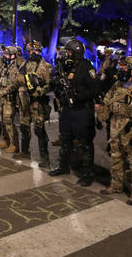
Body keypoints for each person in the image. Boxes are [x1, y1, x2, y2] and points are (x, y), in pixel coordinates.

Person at [96, 56, 132, 205]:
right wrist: (101, 111)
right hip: (116, 129)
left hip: (131, 131)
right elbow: (107, 101)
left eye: (125, 67)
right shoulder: (118, 85)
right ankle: (116, 185)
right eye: (121, 67)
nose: (121, 69)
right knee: (116, 158)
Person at [49, 39, 100, 186]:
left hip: (82, 111)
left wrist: (78, 96)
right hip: (67, 110)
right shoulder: (65, 66)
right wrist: (57, 83)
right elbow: (56, 85)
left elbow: (95, 89)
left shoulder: (87, 67)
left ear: (76, 53)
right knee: (65, 140)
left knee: (85, 143)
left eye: (69, 52)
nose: (67, 54)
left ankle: (88, 174)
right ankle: (63, 166)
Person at [15, 41, 53, 167]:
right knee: (24, 127)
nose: (33, 53)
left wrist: (40, 91)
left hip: (37, 104)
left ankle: (45, 158)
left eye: (35, 51)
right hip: (24, 102)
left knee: (39, 130)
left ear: (40, 51)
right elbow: (18, 79)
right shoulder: (24, 64)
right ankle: (25, 152)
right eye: (30, 50)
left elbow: (49, 85)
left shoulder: (46, 66)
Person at [0, 46, 22, 153]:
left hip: (9, 99)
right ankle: (5, 140)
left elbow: (14, 85)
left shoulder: (15, 69)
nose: (4, 56)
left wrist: (3, 92)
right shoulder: (4, 67)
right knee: (3, 121)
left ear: (13, 55)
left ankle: (14, 144)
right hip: (1, 99)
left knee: (9, 121)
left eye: (6, 55)